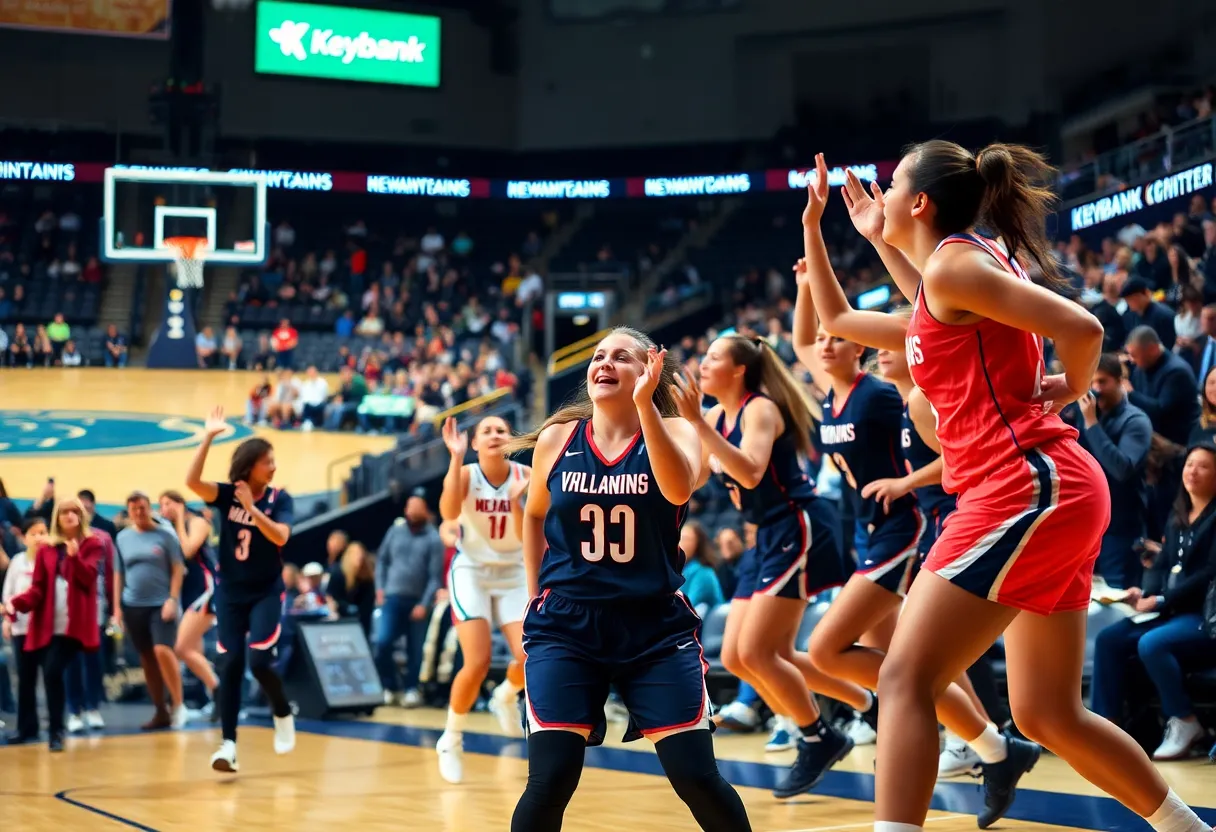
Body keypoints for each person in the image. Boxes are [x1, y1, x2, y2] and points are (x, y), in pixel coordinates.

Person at [852, 139, 1208, 832]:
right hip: (1040, 489)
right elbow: (928, 296)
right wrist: (881, 242)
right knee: (1046, 712)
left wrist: (1071, 387)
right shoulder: (950, 271)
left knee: (903, 678)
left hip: (1025, 486)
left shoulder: (956, 262)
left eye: (892, 185)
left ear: (920, 202)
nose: (882, 195)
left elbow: (1083, 324)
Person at [797, 157, 1023, 806]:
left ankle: (969, 740)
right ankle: (987, 744)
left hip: (963, 510)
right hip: (959, 509)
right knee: (1035, 708)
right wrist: (837, 234)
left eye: (896, 186)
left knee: (885, 668)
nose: (880, 343)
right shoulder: (921, 326)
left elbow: (960, 463)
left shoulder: (904, 387)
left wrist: (1075, 374)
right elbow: (827, 329)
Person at [505, 327, 751, 832]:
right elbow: (533, 516)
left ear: (648, 373)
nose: (605, 363)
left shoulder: (679, 432)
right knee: (550, 779)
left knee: (696, 777)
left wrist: (646, 410)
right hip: (567, 625)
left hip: (653, 627)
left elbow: (678, 488)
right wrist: (534, 596)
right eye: (598, 356)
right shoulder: (558, 439)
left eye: (622, 357)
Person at [669, 333, 870, 797]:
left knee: (761, 652)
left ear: (739, 370)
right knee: (739, 656)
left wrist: (698, 424)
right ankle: (865, 702)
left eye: (714, 356)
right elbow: (691, 479)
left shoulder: (759, 408)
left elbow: (751, 472)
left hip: (797, 523)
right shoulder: (716, 416)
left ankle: (818, 737)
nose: (702, 363)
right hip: (765, 534)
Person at [186, 407, 296, 773]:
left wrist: (253, 509)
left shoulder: (280, 499)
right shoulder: (227, 494)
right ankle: (229, 744)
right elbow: (192, 481)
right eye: (268, 461)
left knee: (261, 661)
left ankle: (282, 710)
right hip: (230, 592)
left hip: (265, 590)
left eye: (274, 460)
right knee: (230, 663)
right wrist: (209, 437)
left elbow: (280, 535)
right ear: (250, 465)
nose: (274, 466)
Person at [1091, 442, 1216, 760]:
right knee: (1109, 639)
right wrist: (1143, 594)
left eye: (1203, 466)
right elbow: (1161, 567)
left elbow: (1206, 576)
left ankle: (1185, 720)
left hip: (1201, 614)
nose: (1192, 471)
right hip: (1168, 610)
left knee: (1152, 644)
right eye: (1190, 464)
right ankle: (1107, 727)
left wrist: (1160, 600)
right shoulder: (1178, 516)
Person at [434, 415, 531, 784]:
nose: (494, 435)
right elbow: (448, 513)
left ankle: (505, 695)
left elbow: (529, 536)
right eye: (486, 431)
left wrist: (518, 504)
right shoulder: (465, 473)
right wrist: (455, 458)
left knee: (530, 656)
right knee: (476, 662)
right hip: (472, 569)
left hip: (513, 572)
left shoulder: (526, 475)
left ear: (512, 440)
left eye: (501, 430)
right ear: (473, 442)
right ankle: (451, 737)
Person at [3, 498, 105, 752]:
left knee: (51, 672)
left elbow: (87, 579)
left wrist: (73, 558)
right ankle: (49, 730)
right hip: (47, 624)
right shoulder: (47, 549)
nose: (69, 515)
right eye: (64, 512)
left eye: (74, 511)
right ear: (57, 518)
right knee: (46, 675)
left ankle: (56, 730)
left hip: (74, 627)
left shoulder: (92, 544)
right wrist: (17, 602)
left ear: (81, 516)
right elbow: (38, 589)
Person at [1067, 355, 1153, 589]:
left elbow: (1122, 469)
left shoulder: (1136, 420)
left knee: (1117, 597)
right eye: (1091, 383)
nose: (1096, 390)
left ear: (1119, 381)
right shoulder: (1086, 414)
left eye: (1102, 382)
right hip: (1085, 523)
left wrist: (1092, 424)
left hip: (1120, 527)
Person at [113, 492, 187, 730]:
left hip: (161, 604)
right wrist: (117, 608)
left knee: (163, 650)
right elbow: (118, 573)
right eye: (134, 509)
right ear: (129, 511)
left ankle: (179, 704)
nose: (139, 513)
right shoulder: (123, 538)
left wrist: (172, 599)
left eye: (142, 508)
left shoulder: (165, 534)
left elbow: (178, 568)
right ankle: (160, 711)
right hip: (134, 605)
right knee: (147, 658)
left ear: (150, 508)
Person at [374, 496, 445, 708]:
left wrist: (424, 603)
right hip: (392, 597)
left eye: (417, 507)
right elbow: (382, 561)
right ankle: (390, 686)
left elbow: (435, 576)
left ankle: (410, 689)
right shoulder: (394, 531)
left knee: (415, 649)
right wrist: (380, 587)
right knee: (382, 642)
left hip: (418, 601)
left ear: (425, 510)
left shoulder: (433, 538)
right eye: (410, 507)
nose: (413, 511)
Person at [160, 490, 220, 718]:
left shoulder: (198, 522)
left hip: (206, 589)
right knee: (194, 650)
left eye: (168, 504)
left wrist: (179, 519)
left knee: (181, 648)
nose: (164, 509)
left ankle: (219, 691)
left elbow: (188, 550)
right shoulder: (172, 528)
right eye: (162, 505)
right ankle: (212, 698)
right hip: (190, 592)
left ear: (180, 504)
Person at [2, 518, 50, 745]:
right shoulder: (18, 562)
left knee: (51, 677)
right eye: (34, 533)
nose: (39, 537)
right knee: (25, 679)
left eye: (43, 532)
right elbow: (8, 594)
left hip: (48, 629)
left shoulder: (53, 560)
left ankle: (53, 725)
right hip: (22, 628)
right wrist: (8, 620)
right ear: (24, 537)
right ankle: (25, 726)